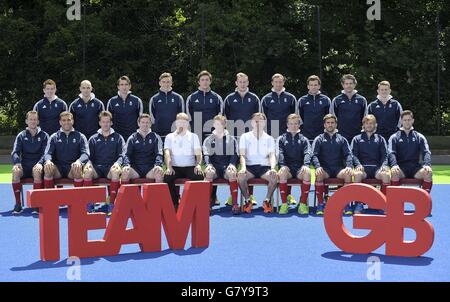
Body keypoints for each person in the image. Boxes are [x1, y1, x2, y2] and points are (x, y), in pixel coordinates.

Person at [83, 111, 125, 215]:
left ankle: (111, 204)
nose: (105, 124)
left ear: (111, 123)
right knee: (87, 172)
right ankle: (90, 203)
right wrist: (88, 164)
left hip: (111, 167)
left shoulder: (118, 137)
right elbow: (88, 156)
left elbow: (122, 155)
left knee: (116, 172)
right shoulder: (93, 138)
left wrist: (117, 164)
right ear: (100, 123)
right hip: (97, 168)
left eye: (107, 122)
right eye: (103, 122)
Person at [311, 114, 353, 215]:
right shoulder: (319, 139)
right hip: (325, 169)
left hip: (338, 169)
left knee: (348, 174)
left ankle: (346, 204)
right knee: (319, 174)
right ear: (324, 125)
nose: (330, 125)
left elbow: (348, 154)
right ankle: (321, 204)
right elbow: (314, 155)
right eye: (328, 123)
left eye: (332, 123)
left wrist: (349, 166)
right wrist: (318, 167)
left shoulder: (342, 139)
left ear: (336, 124)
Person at [238, 113, 277, 214]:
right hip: (249, 167)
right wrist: (243, 168)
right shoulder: (244, 136)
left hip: (264, 168)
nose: (258, 123)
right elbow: (242, 155)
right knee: (241, 177)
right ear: (251, 122)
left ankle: (267, 201)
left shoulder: (270, 138)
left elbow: (272, 155)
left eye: (261, 121)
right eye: (256, 121)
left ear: (264, 123)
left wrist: (273, 168)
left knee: (274, 177)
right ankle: (247, 201)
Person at [10, 111, 49, 215]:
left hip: (37, 165)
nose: (33, 121)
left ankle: (36, 204)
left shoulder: (44, 135)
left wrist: (40, 163)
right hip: (24, 166)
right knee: (15, 172)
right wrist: (17, 163)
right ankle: (18, 204)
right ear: (26, 121)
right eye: (31, 119)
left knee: (37, 172)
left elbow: (46, 153)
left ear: (38, 121)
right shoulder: (21, 135)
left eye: (35, 119)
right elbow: (15, 152)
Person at [351, 114, 390, 214]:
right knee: (357, 175)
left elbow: (385, 155)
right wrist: (358, 165)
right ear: (363, 125)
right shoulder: (356, 139)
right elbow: (353, 155)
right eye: (367, 123)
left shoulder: (380, 139)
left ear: (375, 125)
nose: (369, 125)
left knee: (386, 175)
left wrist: (384, 165)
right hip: (363, 168)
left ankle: (383, 203)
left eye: (371, 123)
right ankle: (359, 204)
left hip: (377, 169)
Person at [163, 113, 204, 208]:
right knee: (167, 177)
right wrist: (169, 167)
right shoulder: (169, 136)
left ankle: (191, 202)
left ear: (187, 123)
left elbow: (198, 153)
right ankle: (174, 202)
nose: (182, 124)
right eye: (180, 121)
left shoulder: (194, 136)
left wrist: (198, 164)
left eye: (184, 122)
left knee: (198, 175)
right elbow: (167, 153)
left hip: (190, 166)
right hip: (175, 167)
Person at [43, 111, 89, 191]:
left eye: (69, 120)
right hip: (58, 168)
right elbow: (48, 153)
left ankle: (78, 199)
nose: (66, 122)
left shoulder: (80, 136)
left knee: (77, 169)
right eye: (64, 120)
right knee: (48, 168)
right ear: (60, 122)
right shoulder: (54, 136)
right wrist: (48, 161)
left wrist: (79, 161)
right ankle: (50, 199)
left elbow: (85, 154)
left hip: (72, 167)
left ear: (73, 121)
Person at [388, 110, 433, 193]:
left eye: (409, 120)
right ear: (401, 121)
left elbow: (426, 152)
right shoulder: (394, 137)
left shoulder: (419, 136)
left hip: (415, 168)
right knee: (394, 173)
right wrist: (394, 165)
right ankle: (396, 200)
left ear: (413, 121)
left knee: (428, 173)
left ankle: (423, 200)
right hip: (401, 168)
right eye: (405, 120)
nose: (407, 122)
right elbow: (391, 153)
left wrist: (427, 164)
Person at [203, 115, 240, 214]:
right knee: (209, 173)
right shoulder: (208, 139)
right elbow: (206, 154)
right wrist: (208, 165)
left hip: (226, 167)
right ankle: (207, 205)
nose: (219, 126)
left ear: (225, 125)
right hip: (214, 167)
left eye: (221, 124)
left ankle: (235, 204)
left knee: (232, 173)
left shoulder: (231, 139)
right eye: (216, 124)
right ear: (214, 125)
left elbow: (234, 154)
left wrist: (232, 164)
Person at [277, 114, 312, 215]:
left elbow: (307, 153)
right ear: (287, 125)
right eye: (291, 124)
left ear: (299, 125)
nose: (293, 126)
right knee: (282, 172)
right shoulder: (281, 139)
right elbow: (280, 153)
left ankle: (302, 204)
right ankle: (284, 204)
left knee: (308, 172)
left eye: (296, 124)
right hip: (287, 168)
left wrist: (305, 165)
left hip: (299, 168)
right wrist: (283, 165)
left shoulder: (304, 139)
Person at [121, 114, 164, 185]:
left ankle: (156, 196)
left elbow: (159, 153)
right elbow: (126, 154)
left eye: (147, 122)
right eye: (143, 122)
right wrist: (126, 165)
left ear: (150, 124)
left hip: (150, 168)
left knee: (159, 173)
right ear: (138, 123)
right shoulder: (132, 137)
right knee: (125, 172)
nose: (145, 124)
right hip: (135, 169)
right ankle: (124, 196)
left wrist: (158, 165)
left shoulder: (156, 137)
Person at [186, 70, 223, 142]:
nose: (205, 82)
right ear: (199, 82)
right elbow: (188, 117)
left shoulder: (217, 98)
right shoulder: (191, 98)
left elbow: (220, 116)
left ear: (210, 81)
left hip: (212, 132)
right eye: (202, 80)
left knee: (211, 152)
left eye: (207, 80)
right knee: (198, 153)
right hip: (196, 132)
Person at [330, 74, 368, 143]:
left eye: (351, 83)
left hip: (358, 135)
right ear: (343, 85)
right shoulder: (336, 100)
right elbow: (332, 118)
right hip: (341, 135)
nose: (349, 85)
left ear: (354, 84)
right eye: (346, 83)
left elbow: (365, 118)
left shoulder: (362, 100)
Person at [148, 72, 184, 142]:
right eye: (163, 82)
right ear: (160, 83)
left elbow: (182, 117)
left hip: (175, 133)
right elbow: (152, 118)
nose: (166, 84)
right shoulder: (154, 99)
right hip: (158, 133)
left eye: (168, 82)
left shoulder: (178, 98)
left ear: (171, 83)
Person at [106, 76, 144, 140]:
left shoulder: (137, 101)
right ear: (118, 87)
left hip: (133, 136)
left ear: (130, 86)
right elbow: (107, 120)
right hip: (116, 136)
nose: (124, 87)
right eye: (122, 84)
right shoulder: (112, 101)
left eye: (126, 84)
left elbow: (141, 120)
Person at [223, 72, 261, 137]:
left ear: (248, 83)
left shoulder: (254, 98)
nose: (242, 84)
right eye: (240, 82)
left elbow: (258, 116)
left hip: (250, 134)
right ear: (236, 83)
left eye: (244, 82)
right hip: (233, 134)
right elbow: (226, 116)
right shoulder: (229, 98)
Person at [260, 73, 297, 138]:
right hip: (271, 132)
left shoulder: (291, 98)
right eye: (276, 82)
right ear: (272, 83)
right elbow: (263, 118)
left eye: (280, 82)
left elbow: (295, 116)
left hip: (287, 130)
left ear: (283, 83)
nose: (278, 84)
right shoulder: (265, 99)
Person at [298, 75, 331, 141]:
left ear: (319, 86)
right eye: (311, 85)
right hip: (306, 135)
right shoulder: (302, 100)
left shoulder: (326, 100)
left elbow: (329, 117)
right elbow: (299, 117)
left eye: (315, 85)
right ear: (308, 86)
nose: (313, 87)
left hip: (322, 135)